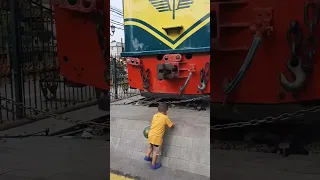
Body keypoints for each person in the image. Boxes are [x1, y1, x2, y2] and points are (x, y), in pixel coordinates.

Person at [144, 102, 174, 170]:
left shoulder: (155, 115)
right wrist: (173, 125)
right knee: (155, 152)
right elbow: (171, 126)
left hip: (150, 135)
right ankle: (153, 165)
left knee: (150, 147)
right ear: (166, 111)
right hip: (157, 138)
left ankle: (147, 157)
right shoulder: (165, 117)